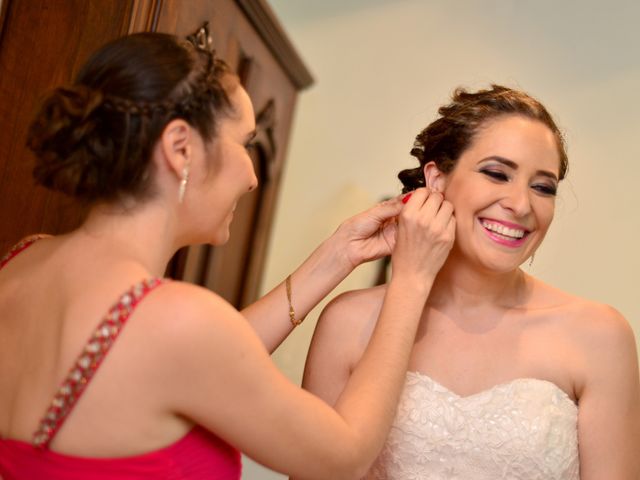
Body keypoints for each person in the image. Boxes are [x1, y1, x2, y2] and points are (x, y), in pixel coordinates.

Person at [0, 32, 456, 479]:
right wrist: (411, 280)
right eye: (245, 143)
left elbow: (185, 358)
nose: (253, 177)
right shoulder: (177, 320)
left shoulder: (23, 259)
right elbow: (345, 456)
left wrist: (335, 257)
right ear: (181, 148)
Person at [300, 85, 640, 479]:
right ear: (437, 179)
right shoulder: (346, 321)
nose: (521, 204)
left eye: (543, 187)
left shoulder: (598, 336)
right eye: (497, 174)